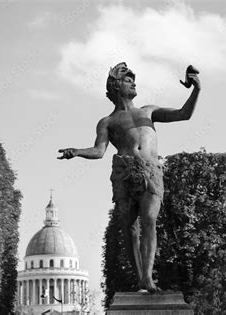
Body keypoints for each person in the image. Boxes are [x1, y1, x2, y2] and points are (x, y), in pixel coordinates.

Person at [58, 62, 200, 293]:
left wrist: (196, 90)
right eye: (127, 79)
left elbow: (184, 114)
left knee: (150, 221)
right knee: (129, 230)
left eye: (133, 79)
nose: (134, 82)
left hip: (151, 171)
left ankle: (147, 278)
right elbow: (99, 151)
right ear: (115, 87)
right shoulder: (107, 122)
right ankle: (141, 280)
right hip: (123, 172)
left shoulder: (148, 111)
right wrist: (76, 152)